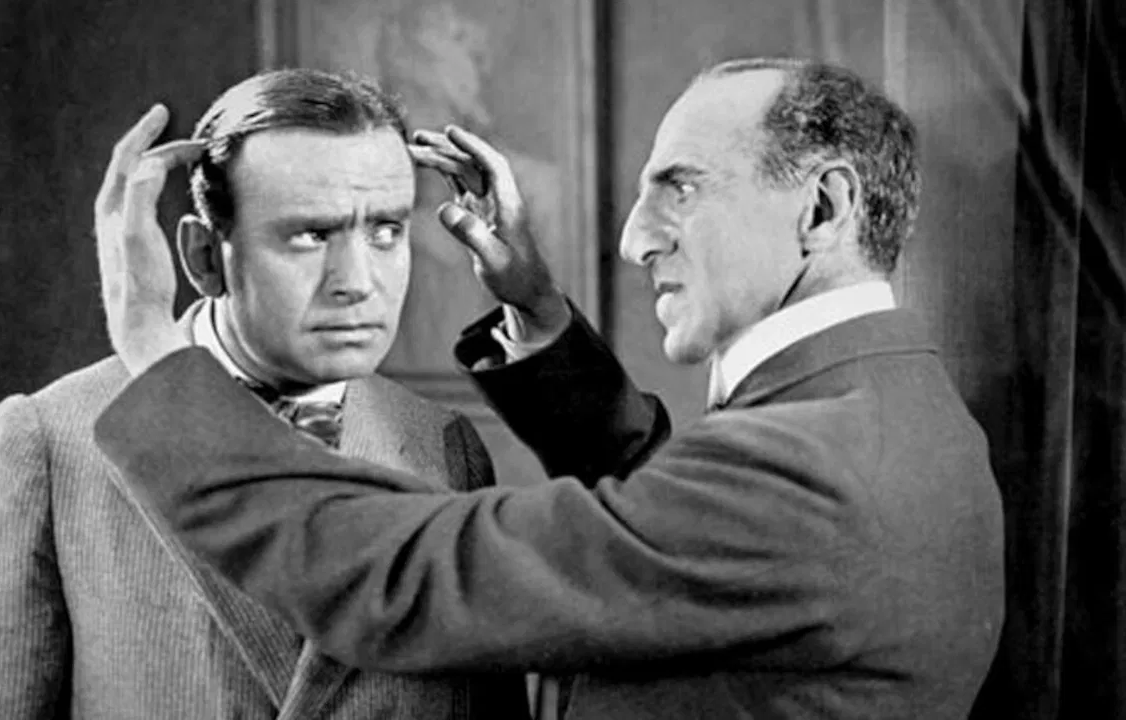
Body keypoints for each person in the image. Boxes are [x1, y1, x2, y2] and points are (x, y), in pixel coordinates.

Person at [92, 58, 1005, 719]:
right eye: (310, 233)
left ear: (823, 208)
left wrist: (155, 356)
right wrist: (534, 310)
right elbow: (675, 538)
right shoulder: (885, 410)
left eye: (681, 189)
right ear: (210, 253)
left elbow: (408, 579)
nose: (635, 238)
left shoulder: (808, 471)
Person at [0, 68, 527, 719]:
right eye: (310, 235)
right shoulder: (49, 443)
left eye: (385, 231)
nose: (357, 282)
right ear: (205, 257)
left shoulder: (442, 447)